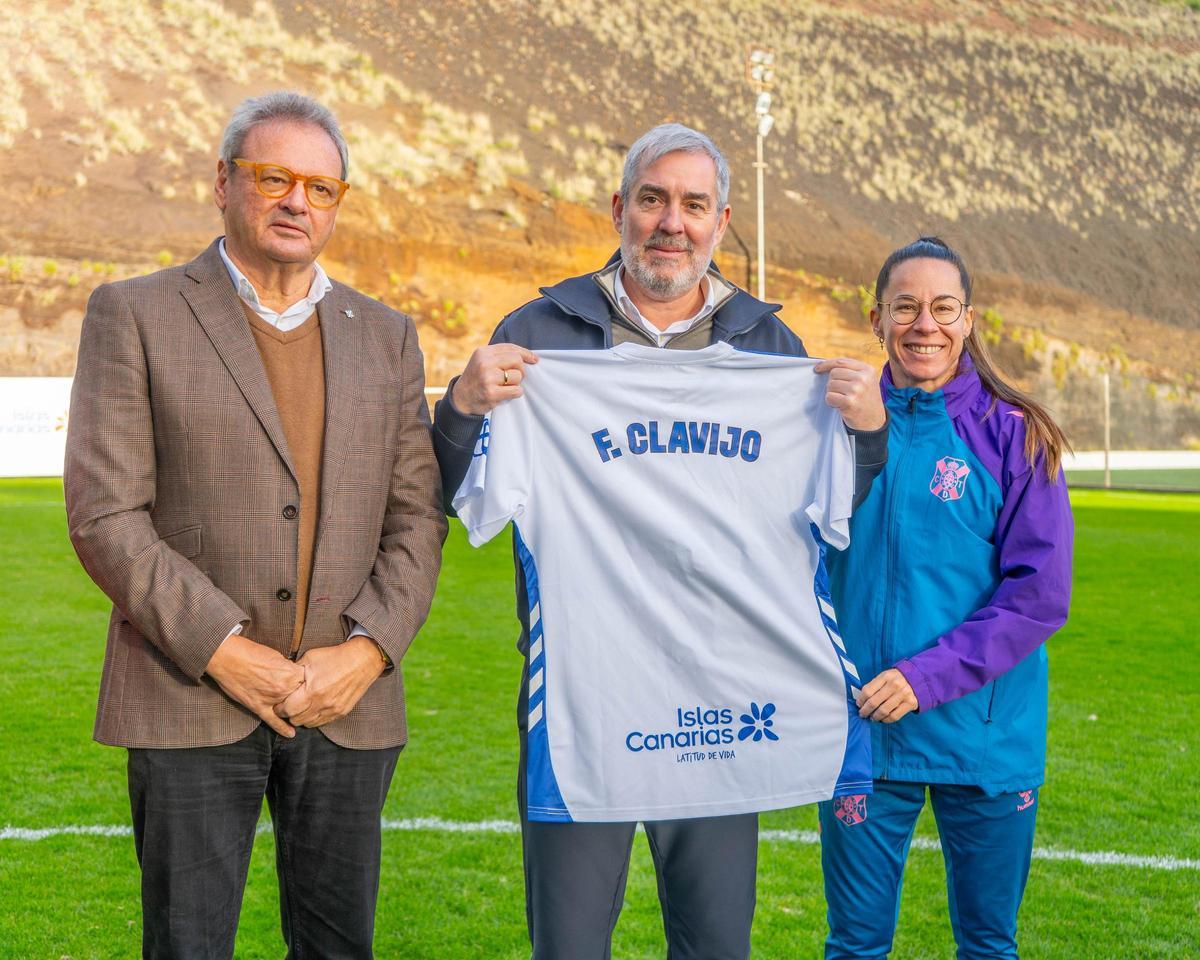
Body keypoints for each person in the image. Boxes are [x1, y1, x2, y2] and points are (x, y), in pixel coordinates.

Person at [433, 123, 888, 960]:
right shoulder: (539, 333)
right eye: (653, 199)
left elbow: (824, 516)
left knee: (715, 944)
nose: (672, 222)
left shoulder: (771, 348)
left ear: (720, 223)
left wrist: (866, 436)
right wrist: (461, 408)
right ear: (620, 209)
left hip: (720, 698)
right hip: (584, 700)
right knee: (569, 947)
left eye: (693, 204)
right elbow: (462, 500)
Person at [64, 91, 446, 959]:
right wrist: (226, 651)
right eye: (274, 178)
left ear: (337, 203)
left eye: (320, 187)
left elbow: (417, 518)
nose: (296, 202)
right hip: (190, 692)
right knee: (188, 945)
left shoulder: (387, 336)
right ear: (223, 183)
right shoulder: (135, 313)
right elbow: (105, 514)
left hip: (346, 702)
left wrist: (366, 653)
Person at [819, 236, 1074, 959]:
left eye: (942, 307)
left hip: (985, 736)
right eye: (905, 307)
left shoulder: (1016, 435)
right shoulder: (829, 427)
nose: (923, 324)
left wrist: (923, 678)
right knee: (855, 946)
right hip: (867, 729)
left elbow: (1038, 597)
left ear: (968, 320)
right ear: (876, 319)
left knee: (988, 946)